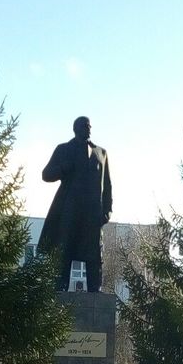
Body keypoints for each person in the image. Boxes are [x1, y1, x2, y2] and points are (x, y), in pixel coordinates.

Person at [37, 116, 113, 292]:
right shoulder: (64, 149)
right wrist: (64, 167)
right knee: (65, 251)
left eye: (89, 126)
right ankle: (60, 290)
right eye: (85, 126)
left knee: (94, 254)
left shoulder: (101, 153)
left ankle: (96, 291)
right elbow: (46, 174)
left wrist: (107, 210)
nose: (89, 128)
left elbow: (107, 185)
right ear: (75, 128)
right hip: (69, 211)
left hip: (93, 214)